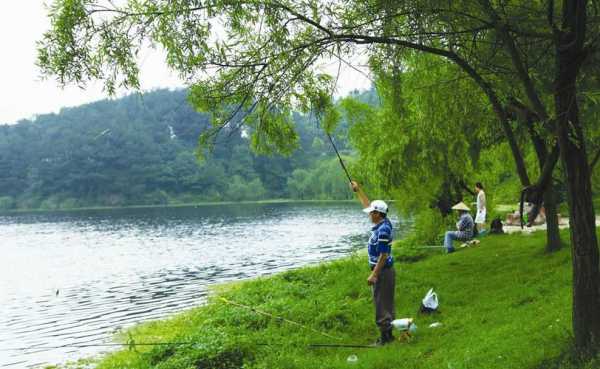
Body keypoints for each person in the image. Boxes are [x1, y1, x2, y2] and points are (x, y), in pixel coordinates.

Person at [350, 181, 395, 345]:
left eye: (371, 213)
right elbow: (368, 205)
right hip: (386, 270)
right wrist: (358, 191)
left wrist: (374, 274)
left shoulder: (383, 230)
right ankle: (389, 335)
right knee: (386, 302)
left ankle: (385, 339)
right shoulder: (384, 222)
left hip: (382, 271)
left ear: (377, 214)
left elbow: (383, 254)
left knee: (381, 303)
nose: (368, 214)